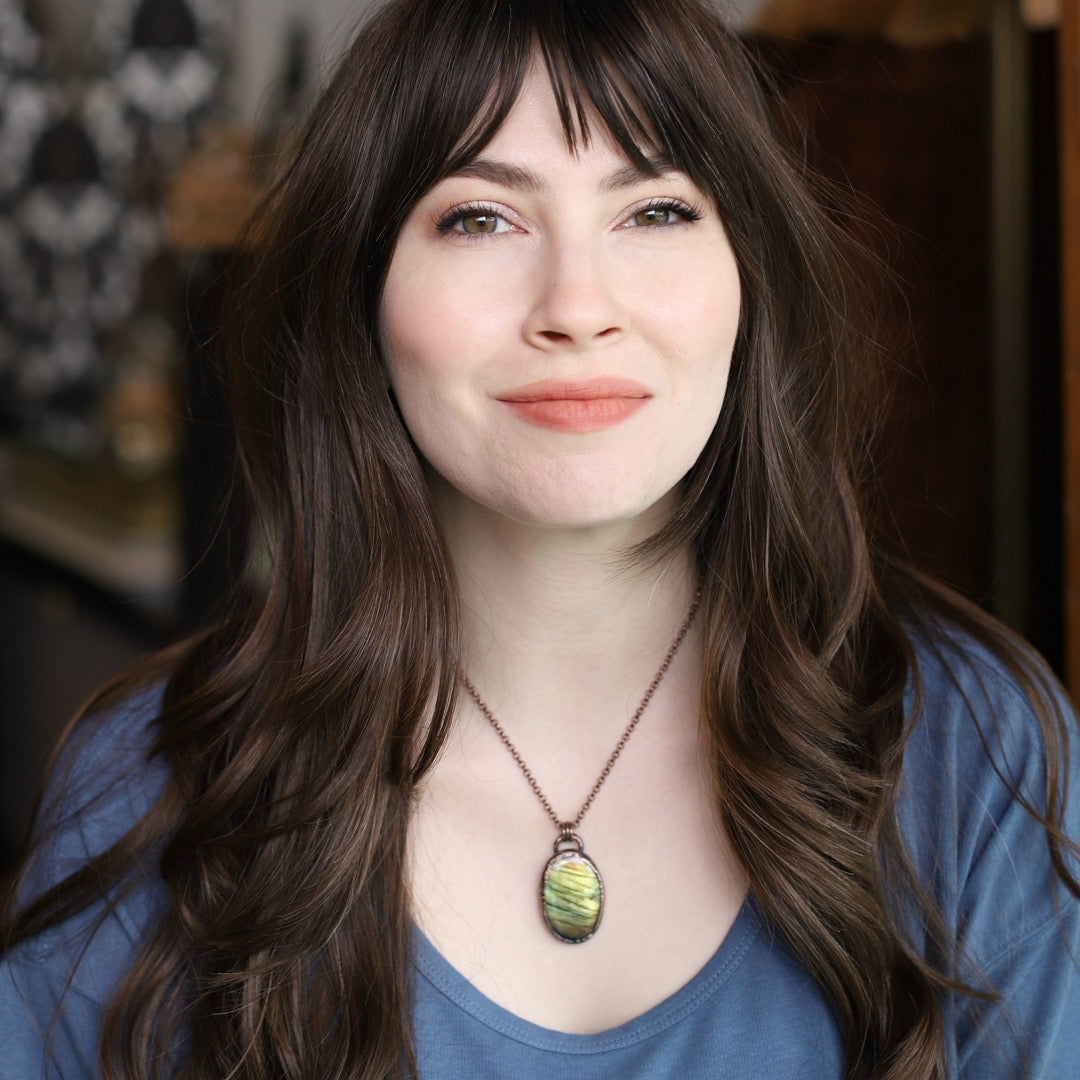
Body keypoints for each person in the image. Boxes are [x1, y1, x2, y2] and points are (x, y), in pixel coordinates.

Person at [2, 0, 1078, 1076]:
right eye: (481, 218)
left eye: (654, 210)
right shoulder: (152, 790)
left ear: (751, 284)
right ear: (361, 297)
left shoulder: (971, 751)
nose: (576, 306)